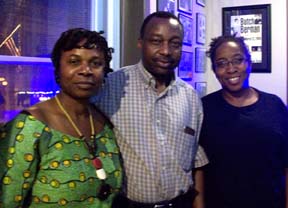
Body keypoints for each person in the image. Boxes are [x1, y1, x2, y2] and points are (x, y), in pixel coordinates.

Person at [93, 11, 208, 208]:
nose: (166, 51)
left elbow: (196, 161)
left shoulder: (191, 97)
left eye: (175, 44)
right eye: (156, 41)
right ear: (141, 43)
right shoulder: (111, 87)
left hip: (181, 203)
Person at [0, 28, 123, 207]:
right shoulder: (30, 126)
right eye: (74, 62)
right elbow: (8, 200)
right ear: (58, 68)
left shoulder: (103, 122)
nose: (86, 71)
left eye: (96, 63)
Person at [200, 34, 288, 208]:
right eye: (222, 63)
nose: (231, 69)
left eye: (237, 60)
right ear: (215, 71)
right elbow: (198, 169)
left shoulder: (275, 106)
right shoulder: (204, 109)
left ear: (249, 63)